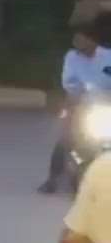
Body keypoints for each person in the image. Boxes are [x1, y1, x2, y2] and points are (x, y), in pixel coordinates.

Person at [40, 25, 111, 194]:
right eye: (75, 40)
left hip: (107, 105)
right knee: (65, 138)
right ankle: (52, 179)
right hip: (82, 104)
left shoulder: (108, 57)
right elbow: (70, 85)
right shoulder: (72, 58)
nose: (78, 43)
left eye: (82, 39)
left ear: (92, 40)